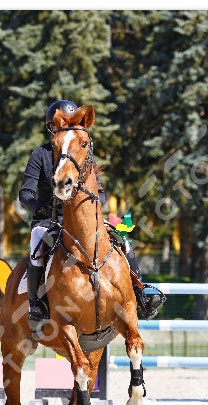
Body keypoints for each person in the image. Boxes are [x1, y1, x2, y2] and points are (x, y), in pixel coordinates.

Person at [18, 99, 165, 335]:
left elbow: (102, 193)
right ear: (52, 127)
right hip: (50, 220)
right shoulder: (41, 154)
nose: (66, 131)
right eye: (61, 126)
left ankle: (142, 294)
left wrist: (94, 207)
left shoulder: (82, 150)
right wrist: (42, 208)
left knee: (122, 239)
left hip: (84, 222)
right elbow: (25, 194)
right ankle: (36, 305)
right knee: (37, 242)